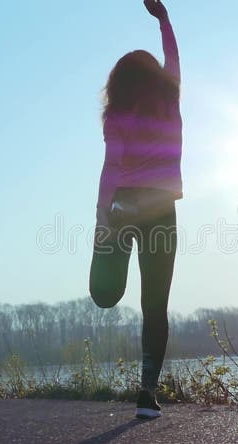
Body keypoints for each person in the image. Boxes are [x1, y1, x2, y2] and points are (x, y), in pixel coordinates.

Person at [89, 0, 182, 420]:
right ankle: (148, 394)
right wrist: (163, 18)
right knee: (155, 306)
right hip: (161, 211)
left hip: (125, 205)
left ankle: (109, 274)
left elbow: (111, 166)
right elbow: (173, 59)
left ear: (119, 83)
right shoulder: (170, 103)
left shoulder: (119, 116)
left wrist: (101, 218)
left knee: (106, 296)